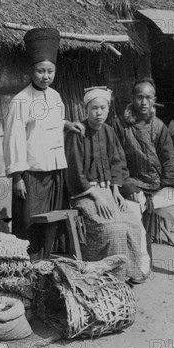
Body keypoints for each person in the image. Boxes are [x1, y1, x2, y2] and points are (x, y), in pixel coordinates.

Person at [113, 78, 174, 280]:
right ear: (132, 99)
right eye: (139, 97)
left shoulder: (159, 126)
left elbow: (169, 158)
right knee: (131, 215)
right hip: (132, 188)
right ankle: (141, 265)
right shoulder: (120, 126)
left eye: (148, 97)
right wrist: (129, 187)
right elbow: (116, 160)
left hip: (156, 189)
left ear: (154, 100)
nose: (143, 102)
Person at [3, 27, 84, 256]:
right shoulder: (20, 101)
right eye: (40, 71)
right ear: (32, 71)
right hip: (32, 174)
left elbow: (51, 123)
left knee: (54, 220)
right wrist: (18, 177)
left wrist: (67, 124)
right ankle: (28, 264)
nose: (45, 76)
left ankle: (51, 261)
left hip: (55, 170)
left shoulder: (56, 96)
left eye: (50, 71)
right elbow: (14, 139)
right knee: (30, 222)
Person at [65, 86, 150, 283]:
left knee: (132, 224)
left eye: (103, 108)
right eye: (94, 108)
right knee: (114, 229)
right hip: (86, 194)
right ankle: (111, 276)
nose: (99, 113)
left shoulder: (109, 131)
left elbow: (117, 162)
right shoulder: (77, 134)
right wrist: (96, 195)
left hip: (108, 192)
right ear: (86, 110)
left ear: (108, 109)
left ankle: (130, 271)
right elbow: (74, 172)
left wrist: (116, 191)